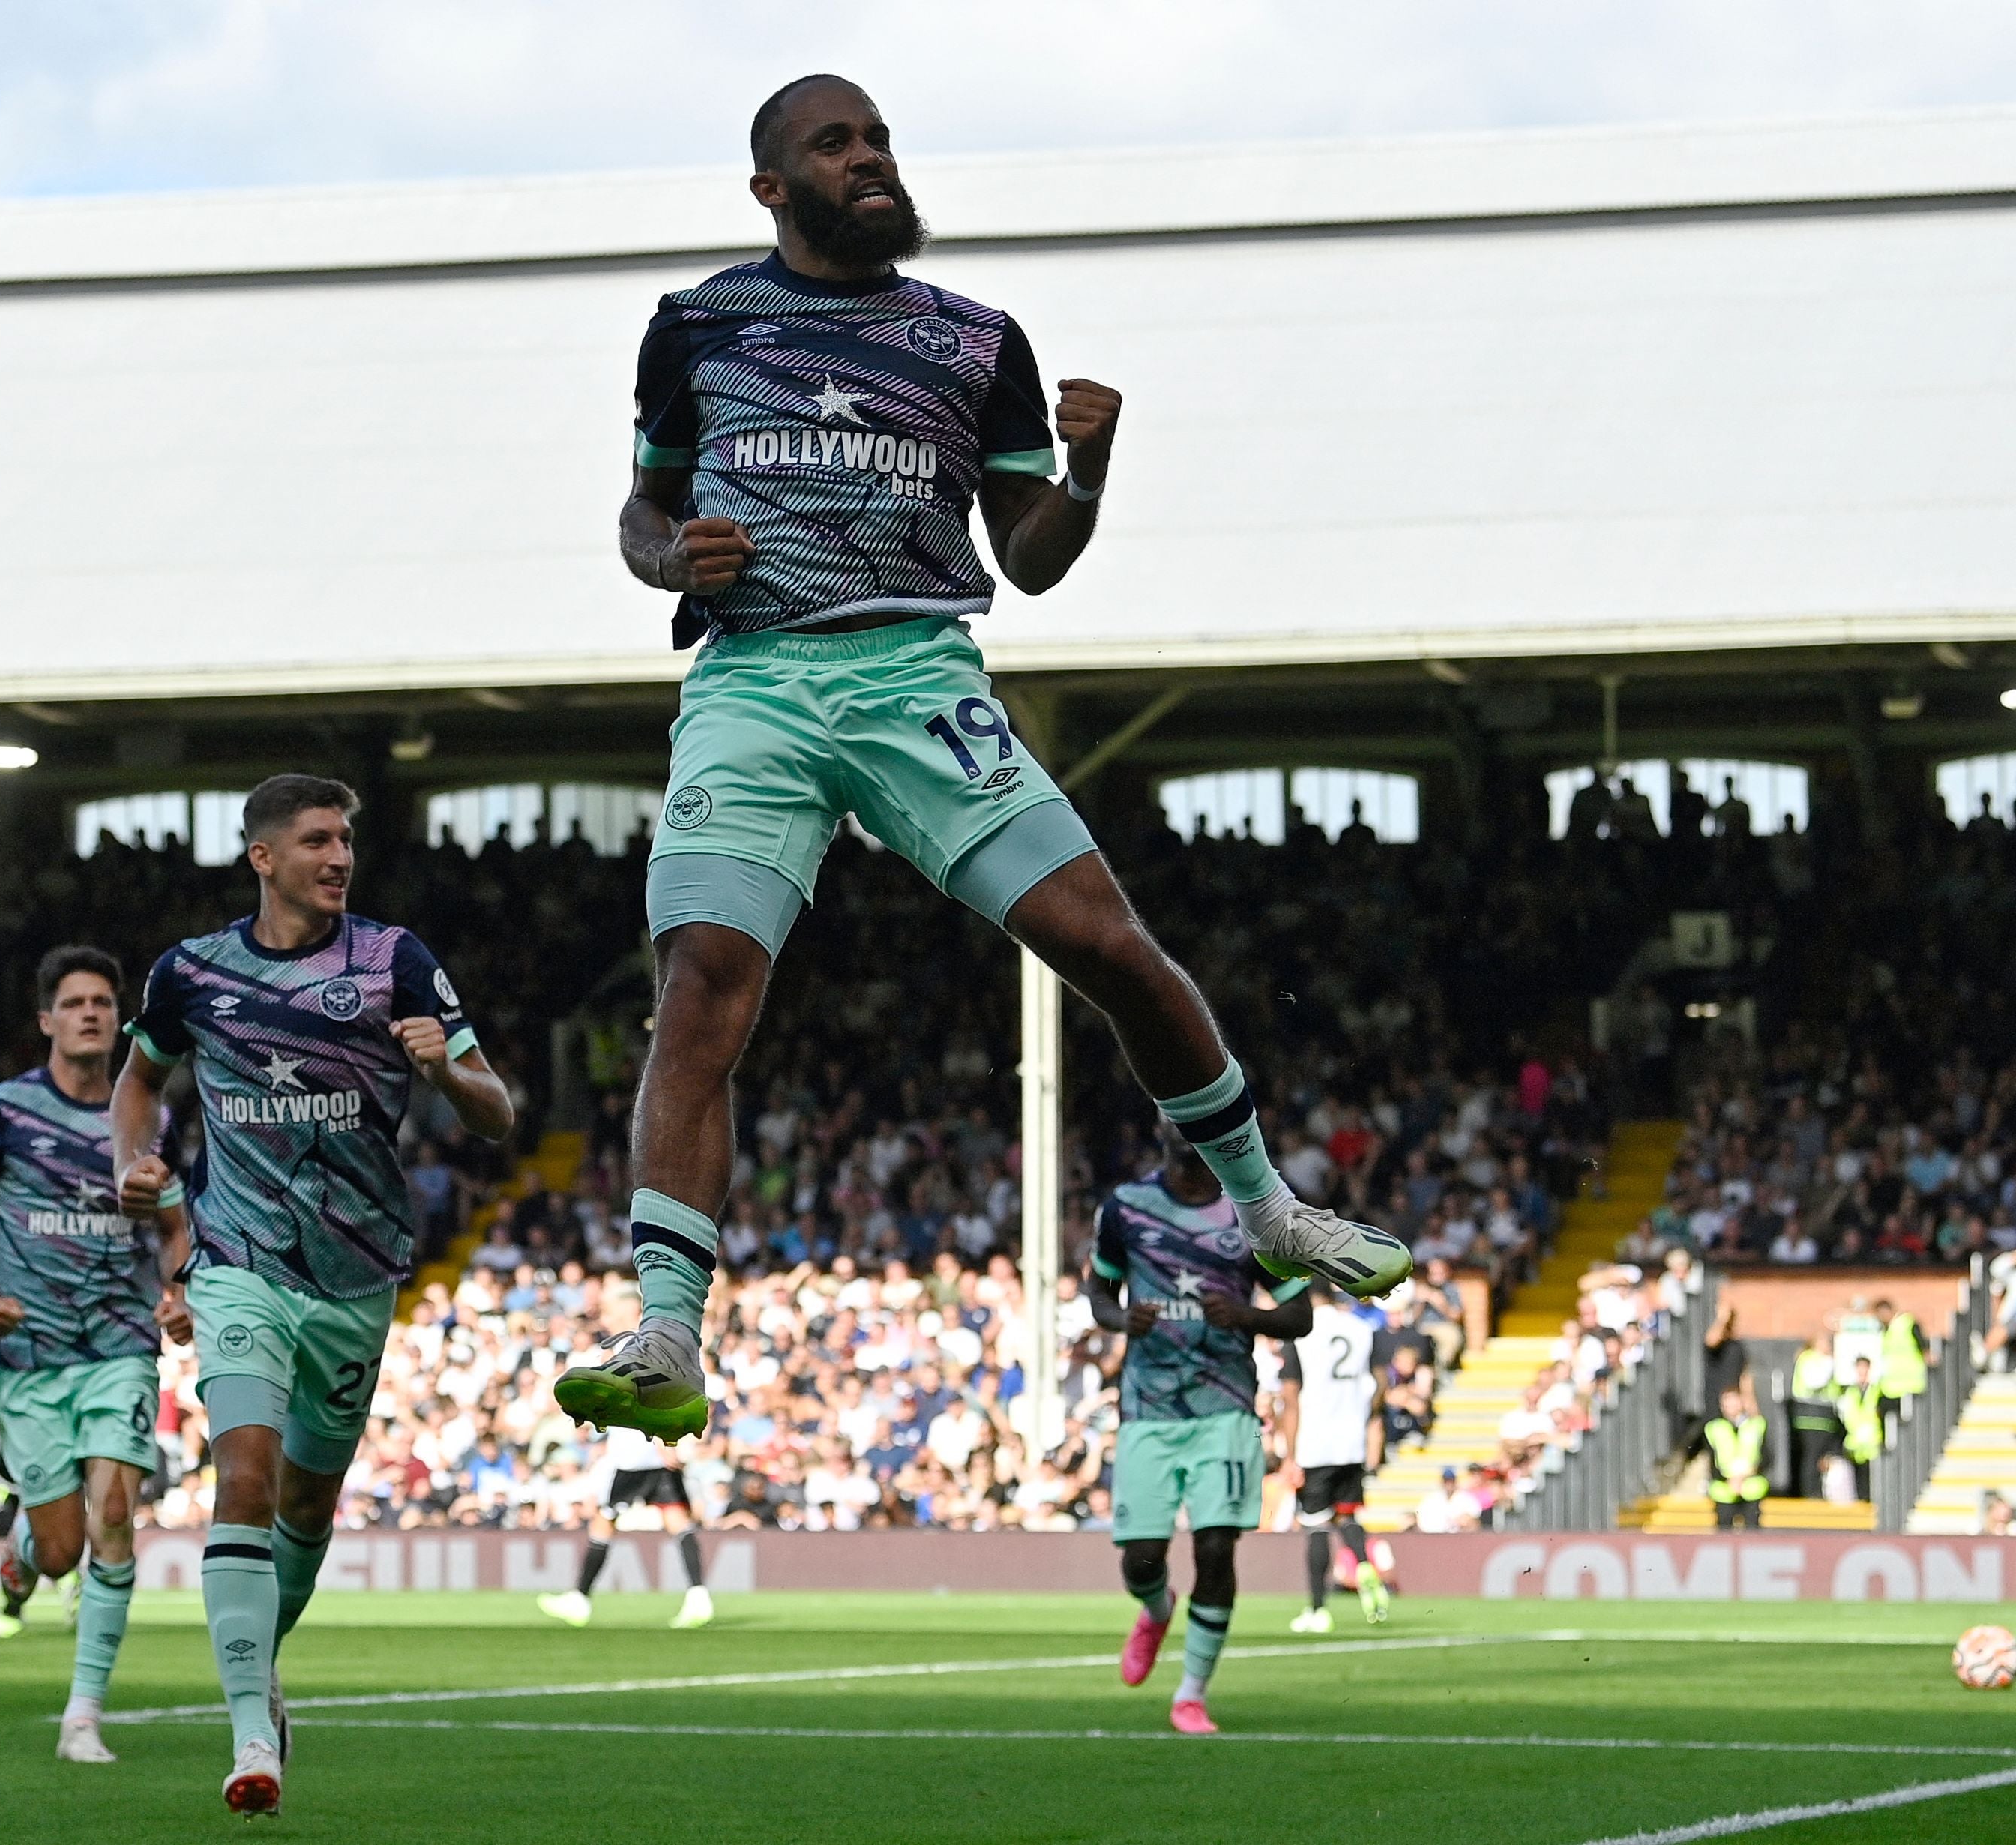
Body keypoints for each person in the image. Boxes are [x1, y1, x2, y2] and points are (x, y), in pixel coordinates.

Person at [555, 72, 1409, 1447]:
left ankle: (1270, 1209)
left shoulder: (976, 340)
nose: (870, 158)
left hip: (914, 673)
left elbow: (1032, 556)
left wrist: (1087, 473)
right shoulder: (697, 325)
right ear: (771, 186)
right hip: (753, 681)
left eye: (879, 139)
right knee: (700, 986)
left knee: (1110, 945)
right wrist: (672, 553)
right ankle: (666, 1327)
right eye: (835, 145)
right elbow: (645, 506)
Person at [111, 774, 514, 1818]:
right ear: (262, 858)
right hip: (237, 1258)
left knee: (304, 1504)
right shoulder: (192, 972)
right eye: (316, 840)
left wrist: (446, 1075)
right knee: (241, 1478)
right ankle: (252, 1734)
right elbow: (137, 1082)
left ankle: (262, 1681)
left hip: (357, 1273)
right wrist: (132, 1164)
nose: (337, 857)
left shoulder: (394, 962)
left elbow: (498, 1112)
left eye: (344, 839)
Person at [0, 944, 195, 1763]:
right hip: (32, 1358)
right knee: (60, 1546)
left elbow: (178, 1222)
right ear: (46, 1019)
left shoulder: (149, 1118)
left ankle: (83, 1715)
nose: (91, 1012)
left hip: (117, 1343)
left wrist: (178, 1291)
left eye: (104, 1002)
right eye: (74, 1001)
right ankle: (22, 1554)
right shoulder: (4, 1109)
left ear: (119, 1019)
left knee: (115, 1518)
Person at [1085, 1131, 1311, 1735]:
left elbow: (1299, 1313)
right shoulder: (1125, 1207)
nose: (1179, 1122)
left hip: (1225, 1406)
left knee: (1215, 1548)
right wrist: (1119, 1320)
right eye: (1168, 1110)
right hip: (1148, 1408)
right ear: (1157, 1125)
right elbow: (1099, 1291)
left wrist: (1246, 1316)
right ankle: (1156, 1610)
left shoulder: (1253, 1210)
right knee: (1141, 1559)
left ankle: (1190, 1693)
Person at [534, 1410, 714, 1633]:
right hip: (655, 1460)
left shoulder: (634, 1375)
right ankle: (699, 1596)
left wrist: (662, 1441)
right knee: (678, 1522)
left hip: (632, 1459)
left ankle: (579, 1599)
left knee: (603, 1522)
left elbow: (647, 1396)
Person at [1281, 1281, 1388, 1632]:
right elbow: (1380, 1382)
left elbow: (1291, 1397)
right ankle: (1363, 1563)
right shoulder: (1361, 1329)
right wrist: (1365, 1417)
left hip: (1315, 1443)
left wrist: (1290, 1455)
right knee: (1348, 1517)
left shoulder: (1300, 1334)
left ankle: (1317, 1610)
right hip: (1351, 1442)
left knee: (1315, 1526)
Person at [1785, 1331, 1842, 1500]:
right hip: (1811, 1419)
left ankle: (1817, 1491)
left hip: (1823, 1420)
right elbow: (1816, 1381)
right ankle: (1810, 1492)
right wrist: (1830, 1362)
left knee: (1820, 1459)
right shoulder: (1810, 1359)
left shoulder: (1815, 1359)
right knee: (1812, 1457)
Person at [1703, 1386, 1770, 1528]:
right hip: (1724, 1488)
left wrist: (1746, 1475)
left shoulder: (1757, 1425)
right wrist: (1729, 1480)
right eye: (1725, 1403)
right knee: (1723, 1534)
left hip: (1752, 1487)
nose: (1729, 1407)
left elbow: (1767, 1457)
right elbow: (1711, 1460)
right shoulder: (1714, 1428)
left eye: (1733, 1401)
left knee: (1752, 1533)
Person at [1837, 1358, 1885, 1502]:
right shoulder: (1850, 1392)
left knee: (1872, 1478)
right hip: (1855, 1444)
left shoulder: (1876, 1391)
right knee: (1858, 1480)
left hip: (1872, 1443)